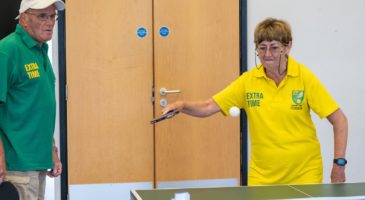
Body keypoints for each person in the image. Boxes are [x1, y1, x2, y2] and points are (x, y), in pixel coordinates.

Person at [162, 18, 348, 186]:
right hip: (262, 177)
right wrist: (181, 106)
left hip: (305, 174)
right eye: (261, 47)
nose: (267, 54)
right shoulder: (248, 82)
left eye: (274, 47)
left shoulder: (304, 77)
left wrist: (339, 164)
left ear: (287, 46)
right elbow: (208, 106)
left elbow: (339, 120)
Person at [0, 0, 65, 199]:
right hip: (15, 168)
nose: (50, 22)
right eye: (42, 16)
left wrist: (51, 150)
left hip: (37, 165)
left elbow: (38, 109)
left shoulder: (40, 51)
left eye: (53, 16)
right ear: (24, 18)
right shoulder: (7, 50)